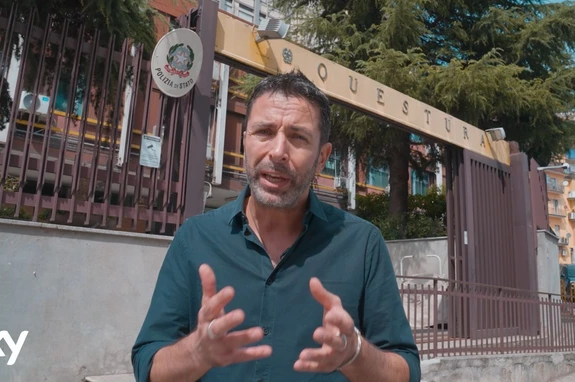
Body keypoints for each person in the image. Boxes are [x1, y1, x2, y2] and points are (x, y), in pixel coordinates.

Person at [131, 70, 420, 382]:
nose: (278, 152)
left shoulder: (362, 244)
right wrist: (196, 353)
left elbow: (406, 372)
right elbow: (149, 367)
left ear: (322, 158)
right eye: (264, 132)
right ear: (245, 140)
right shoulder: (194, 238)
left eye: (298, 137)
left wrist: (355, 354)